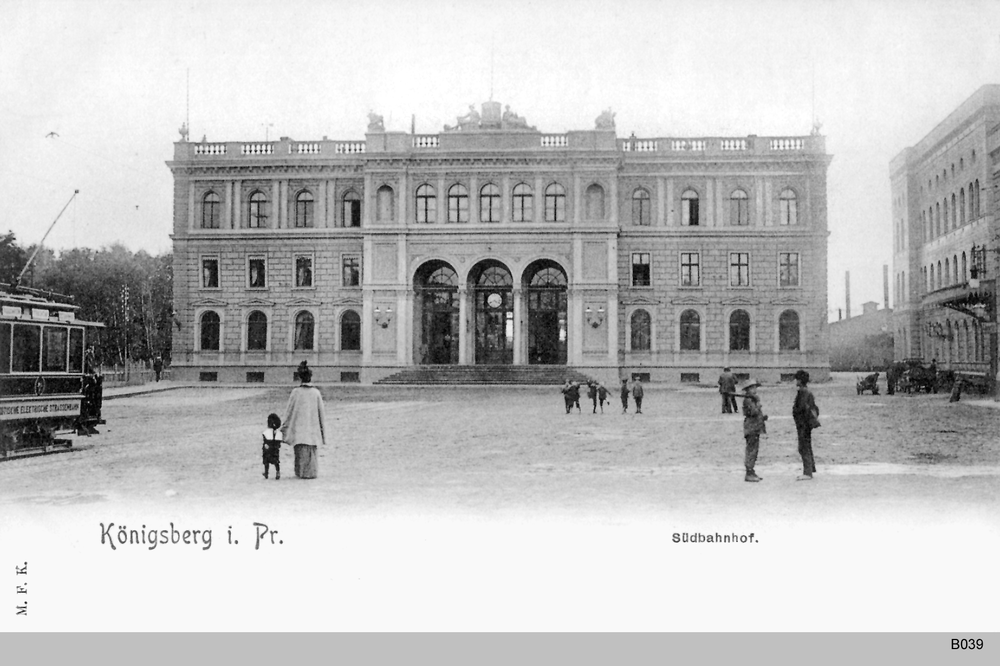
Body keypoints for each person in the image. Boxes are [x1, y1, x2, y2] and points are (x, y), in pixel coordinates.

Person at [281, 362, 328, 479]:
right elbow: (321, 413)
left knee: (300, 451)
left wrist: (284, 428)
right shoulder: (316, 393)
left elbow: (289, 412)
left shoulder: (296, 392)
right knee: (311, 451)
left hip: (299, 428)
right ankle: (311, 472)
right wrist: (322, 431)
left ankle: (301, 472)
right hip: (312, 427)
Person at [791, 369, 819, 481]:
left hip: (803, 423)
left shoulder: (803, 392)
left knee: (803, 446)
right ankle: (810, 468)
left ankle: (807, 472)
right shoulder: (807, 392)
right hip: (806, 423)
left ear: (799, 380)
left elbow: (801, 408)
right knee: (806, 444)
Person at [741, 379, 767, 482]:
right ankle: (749, 472)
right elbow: (753, 412)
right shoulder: (749, 400)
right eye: (753, 387)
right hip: (751, 428)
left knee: (754, 449)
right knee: (751, 450)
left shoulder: (752, 399)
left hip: (755, 427)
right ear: (749, 389)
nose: (755, 389)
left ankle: (751, 471)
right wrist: (758, 404)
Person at [261, 413, 283, 480]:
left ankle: (266, 473)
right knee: (276, 462)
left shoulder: (265, 432)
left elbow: (265, 442)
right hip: (275, 449)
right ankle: (278, 472)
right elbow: (279, 443)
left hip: (268, 450)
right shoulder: (279, 433)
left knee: (266, 461)